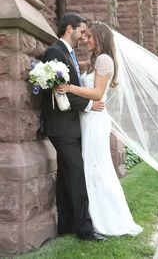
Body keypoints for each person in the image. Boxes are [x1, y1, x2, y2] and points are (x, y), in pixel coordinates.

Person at [57, 21, 143, 236]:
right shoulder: (96, 61)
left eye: (91, 36)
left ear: (101, 38)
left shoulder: (104, 60)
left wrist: (69, 88)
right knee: (90, 165)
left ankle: (108, 217)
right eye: (85, 36)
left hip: (95, 120)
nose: (86, 39)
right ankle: (93, 215)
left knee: (97, 167)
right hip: (88, 118)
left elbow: (97, 94)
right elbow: (76, 65)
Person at [41, 13, 106, 241]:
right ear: (70, 28)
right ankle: (85, 230)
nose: (83, 36)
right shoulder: (54, 52)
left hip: (69, 125)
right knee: (77, 174)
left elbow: (68, 87)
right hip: (61, 126)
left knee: (67, 174)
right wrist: (90, 104)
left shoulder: (67, 54)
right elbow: (61, 90)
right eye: (81, 31)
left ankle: (66, 224)